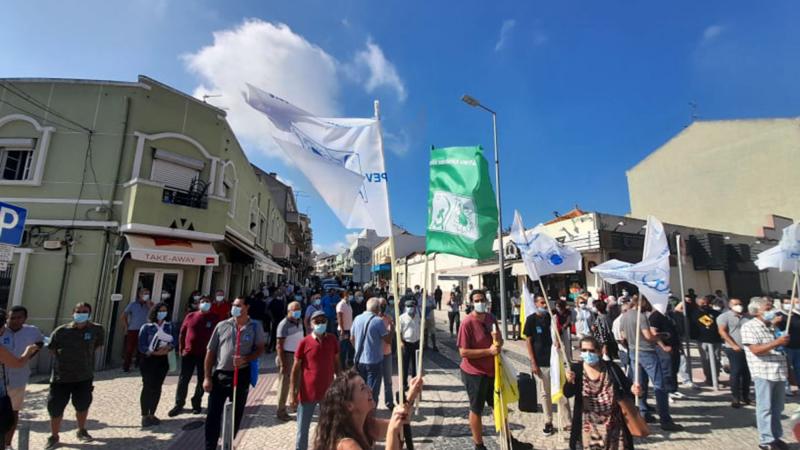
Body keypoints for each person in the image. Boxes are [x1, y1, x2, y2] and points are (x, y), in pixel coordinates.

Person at [203, 297, 266, 450]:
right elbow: (210, 352)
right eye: (233, 305)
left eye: (238, 305)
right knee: (213, 414)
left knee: (235, 414)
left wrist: (246, 359)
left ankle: (228, 443)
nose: (234, 308)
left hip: (241, 375)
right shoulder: (222, 325)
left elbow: (260, 349)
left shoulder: (255, 327)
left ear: (246, 307)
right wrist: (207, 377)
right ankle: (210, 446)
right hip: (220, 375)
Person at [564, 336, 642, 450]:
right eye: (584, 350)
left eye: (591, 351)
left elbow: (626, 385)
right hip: (587, 426)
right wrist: (569, 382)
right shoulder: (576, 369)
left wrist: (634, 389)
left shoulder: (611, 368)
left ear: (599, 351)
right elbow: (567, 393)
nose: (588, 353)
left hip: (613, 425)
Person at [311, 371, 423, 450]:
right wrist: (392, 432)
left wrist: (411, 396)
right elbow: (393, 428)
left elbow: (399, 422)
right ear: (349, 405)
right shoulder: (346, 445)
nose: (370, 389)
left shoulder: (366, 425)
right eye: (363, 388)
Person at [45, 303, 105, 450]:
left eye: (85, 312)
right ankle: (54, 436)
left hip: (84, 375)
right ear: (73, 313)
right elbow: (52, 349)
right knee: (56, 407)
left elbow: (97, 345)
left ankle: (81, 430)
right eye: (78, 311)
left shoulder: (96, 329)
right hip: (61, 377)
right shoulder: (61, 331)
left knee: (82, 405)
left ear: (90, 313)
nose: (81, 314)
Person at [619, 297, 682, 431]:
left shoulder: (624, 316)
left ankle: (643, 412)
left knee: (639, 383)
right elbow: (648, 336)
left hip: (633, 352)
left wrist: (631, 344)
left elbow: (622, 336)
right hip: (646, 352)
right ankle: (665, 419)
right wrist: (661, 337)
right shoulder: (641, 317)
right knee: (659, 384)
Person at [742, 296, 791, 450]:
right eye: (768, 309)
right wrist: (777, 342)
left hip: (779, 371)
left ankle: (776, 437)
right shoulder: (749, 327)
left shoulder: (772, 326)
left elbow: (780, 348)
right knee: (765, 408)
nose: (772, 312)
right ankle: (766, 440)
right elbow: (756, 350)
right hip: (763, 372)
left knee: (778, 408)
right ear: (756, 312)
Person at [457, 290, 501, 450]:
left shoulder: (491, 318)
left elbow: (499, 341)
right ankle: (479, 445)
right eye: (476, 300)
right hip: (474, 373)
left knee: (498, 405)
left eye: (482, 299)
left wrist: (498, 342)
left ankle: (507, 438)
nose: (480, 302)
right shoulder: (467, 323)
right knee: (477, 408)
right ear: (471, 303)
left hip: (492, 370)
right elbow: (463, 352)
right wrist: (488, 351)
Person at [291, 311, 341, 450]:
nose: (320, 324)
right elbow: (295, 369)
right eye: (317, 321)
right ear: (311, 324)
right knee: (303, 429)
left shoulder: (332, 340)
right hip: (308, 393)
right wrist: (292, 393)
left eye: (323, 321)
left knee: (327, 428)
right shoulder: (304, 342)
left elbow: (337, 364)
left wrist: (341, 384)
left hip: (328, 393)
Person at [524, 295, 571, 436]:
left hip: (555, 360)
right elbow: (528, 341)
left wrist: (558, 341)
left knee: (562, 392)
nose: (544, 305)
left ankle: (567, 422)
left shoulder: (552, 318)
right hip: (540, 361)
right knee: (545, 393)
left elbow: (562, 331)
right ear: (536, 303)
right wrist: (533, 362)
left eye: (546, 303)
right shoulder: (531, 319)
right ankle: (548, 421)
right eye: (542, 302)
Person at [0, 306, 44, 447]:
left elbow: (40, 343)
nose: (14, 321)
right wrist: (27, 353)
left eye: (19, 317)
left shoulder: (32, 331)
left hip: (16, 380)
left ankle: (7, 444)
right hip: (3, 385)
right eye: (11, 318)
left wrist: (31, 354)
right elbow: (17, 363)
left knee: (11, 413)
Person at [169, 295, 219, 417]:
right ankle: (179, 403)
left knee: (202, 379)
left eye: (207, 301)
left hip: (205, 355)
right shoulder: (190, 316)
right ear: (198, 304)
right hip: (189, 353)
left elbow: (219, 336)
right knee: (183, 379)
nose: (205, 303)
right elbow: (182, 333)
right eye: (202, 302)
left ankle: (196, 403)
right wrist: (181, 349)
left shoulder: (214, 318)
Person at [137, 302, 175, 427]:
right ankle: (144, 415)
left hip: (163, 361)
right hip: (149, 361)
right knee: (147, 386)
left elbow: (174, 341)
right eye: (160, 310)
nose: (162, 313)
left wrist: (168, 348)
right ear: (155, 312)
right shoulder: (147, 327)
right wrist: (152, 352)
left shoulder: (169, 326)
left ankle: (152, 414)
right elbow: (141, 345)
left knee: (157, 387)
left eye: (165, 310)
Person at [351, 298, 391, 403]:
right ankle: (370, 415)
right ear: (378, 308)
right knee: (372, 392)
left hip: (359, 360)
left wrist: (358, 349)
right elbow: (388, 340)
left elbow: (352, 338)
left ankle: (362, 414)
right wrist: (392, 328)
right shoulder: (378, 321)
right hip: (374, 361)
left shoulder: (357, 318)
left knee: (361, 390)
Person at [717, 297, 752, 408]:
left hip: (748, 348)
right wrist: (733, 345)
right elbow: (722, 331)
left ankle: (745, 396)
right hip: (733, 348)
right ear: (730, 305)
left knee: (747, 373)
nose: (739, 306)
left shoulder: (747, 317)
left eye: (740, 303)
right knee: (736, 372)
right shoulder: (724, 317)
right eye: (736, 304)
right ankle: (735, 397)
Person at [275, 301, 305, 421]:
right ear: (289, 311)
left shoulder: (299, 321)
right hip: (287, 356)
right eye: (295, 310)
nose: (298, 312)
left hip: (299, 356)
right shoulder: (283, 324)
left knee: (298, 382)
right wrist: (283, 363)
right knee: (284, 384)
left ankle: (294, 405)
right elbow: (279, 345)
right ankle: (281, 410)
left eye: (299, 309)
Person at [690, 295, 723, 387]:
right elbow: (708, 323)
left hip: (716, 339)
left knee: (717, 359)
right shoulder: (696, 313)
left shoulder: (715, 313)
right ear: (698, 304)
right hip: (703, 340)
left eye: (707, 302)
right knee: (706, 359)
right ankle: (709, 378)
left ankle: (716, 378)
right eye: (703, 303)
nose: (706, 304)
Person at [121, 288, 152, 372]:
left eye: (148, 294)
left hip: (145, 330)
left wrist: (149, 305)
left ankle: (139, 365)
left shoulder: (149, 304)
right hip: (133, 329)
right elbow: (123, 316)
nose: (146, 296)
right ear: (140, 294)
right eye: (145, 293)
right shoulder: (133, 304)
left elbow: (154, 314)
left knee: (142, 348)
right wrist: (126, 326)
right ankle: (126, 367)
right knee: (129, 349)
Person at [399, 299, 421, 390]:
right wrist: (400, 342)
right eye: (408, 306)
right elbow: (399, 331)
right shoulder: (402, 318)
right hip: (406, 343)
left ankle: (414, 382)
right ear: (405, 307)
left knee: (416, 364)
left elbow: (421, 327)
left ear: (415, 307)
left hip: (416, 342)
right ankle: (404, 384)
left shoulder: (418, 316)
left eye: (412, 306)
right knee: (405, 365)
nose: (410, 308)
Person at [378, 298, 395, 410]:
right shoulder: (374, 319)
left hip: (387, 352)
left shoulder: (388, 318)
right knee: (376, 380)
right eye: (381, 304)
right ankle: (373, 402)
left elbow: (390, 338)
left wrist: (392, 328)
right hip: (376, 354)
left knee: (388, 380)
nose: (383, 306)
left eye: (384, 304)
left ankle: (389, 402)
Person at [337, 292, 355, 369]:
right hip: (343, 330)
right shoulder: (341, 304)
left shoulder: (349, 304)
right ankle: (342, 366)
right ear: (343, 296)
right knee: (343, 349)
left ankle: (349, 364)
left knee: (351, 348)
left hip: (350, 329)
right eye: (347, 295)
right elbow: (339, 317)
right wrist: (342, 329)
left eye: (350, 295)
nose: (349, 296)